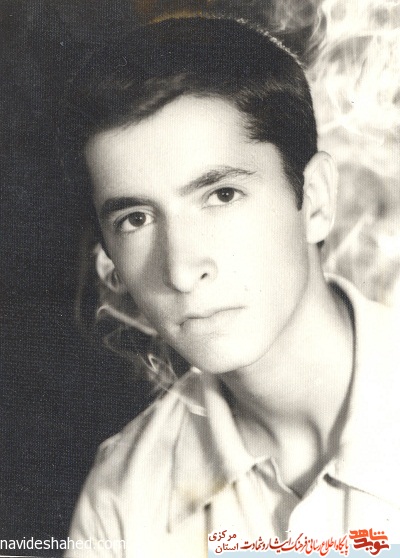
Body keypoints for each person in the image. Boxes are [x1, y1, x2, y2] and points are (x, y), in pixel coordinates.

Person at [64, 16, 400, 558]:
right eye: (136, 219)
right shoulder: (121, 500)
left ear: (314, 200)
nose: (181, 270)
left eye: (221, 196)